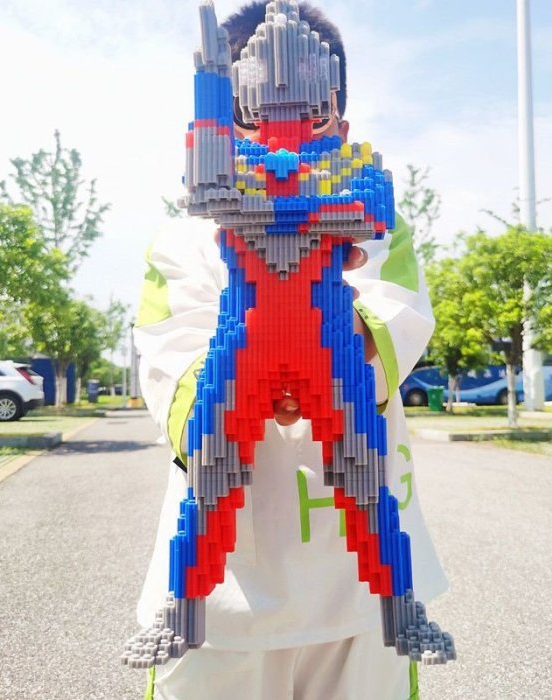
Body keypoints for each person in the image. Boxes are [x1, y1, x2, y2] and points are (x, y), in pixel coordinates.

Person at [133, 2, 448, 698]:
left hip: (358, 609)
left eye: (311, 109)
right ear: (225, 121)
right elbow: (175, 381)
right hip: (226, 611)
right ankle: (180, 608)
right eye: (254, 111)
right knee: (213, 470)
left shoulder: (377, 225)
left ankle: (403, 606)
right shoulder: (182, 238)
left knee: (360, 474)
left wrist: (326, 253)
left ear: (339, 118)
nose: (285, 127)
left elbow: (396, 325)